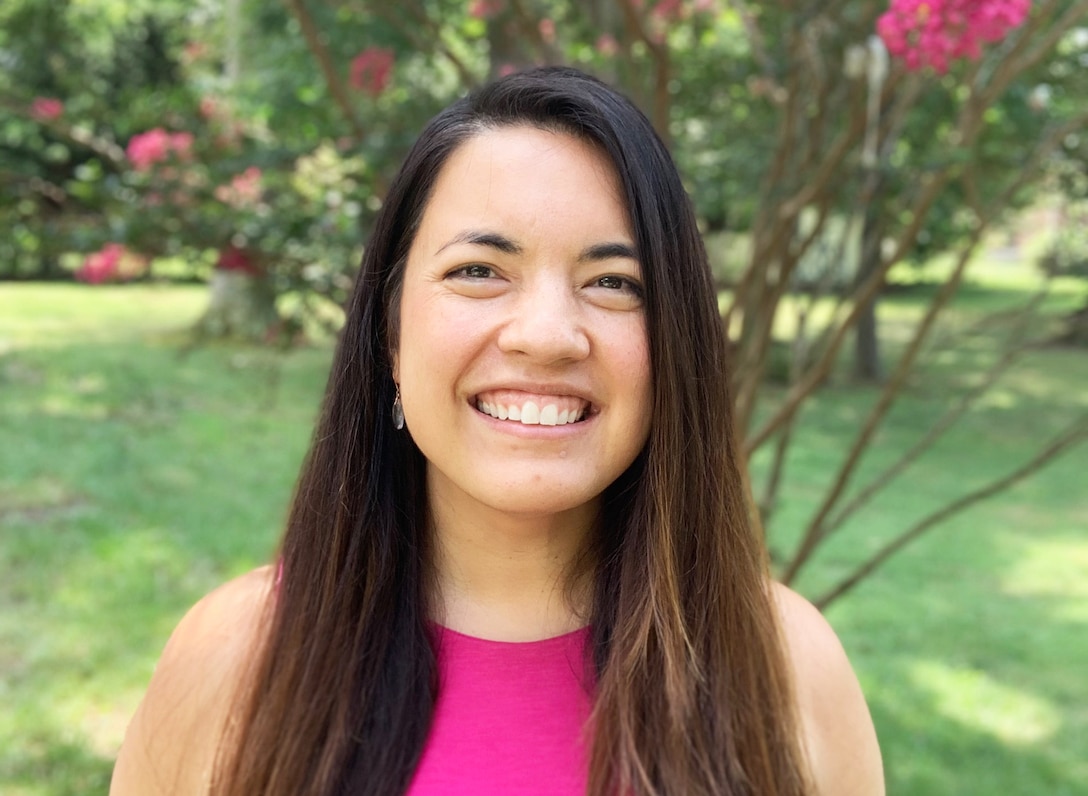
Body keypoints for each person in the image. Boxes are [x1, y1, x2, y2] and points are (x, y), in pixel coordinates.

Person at [110, 66, 883, 796]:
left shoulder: (787, 668)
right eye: (479, 270)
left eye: (614, 282)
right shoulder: (234, 659)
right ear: (390, 338)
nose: (547, 335)